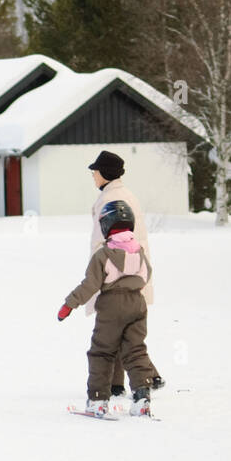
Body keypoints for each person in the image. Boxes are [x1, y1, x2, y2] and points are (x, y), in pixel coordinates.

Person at [58, 200, 159, 416]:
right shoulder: (138, 252)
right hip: (137, 304)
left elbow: (90, 285)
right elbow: (146, 275)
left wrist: (69, 304)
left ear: (105, 226)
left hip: (112, 307)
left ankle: (98, 400)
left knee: (102, 352)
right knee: (135, 350)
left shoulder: (103, 255)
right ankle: (142, 397)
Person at [87, 151, 164, 395]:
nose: (93, 175)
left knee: (112, 335)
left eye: (96, 171)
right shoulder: (123, 194)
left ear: (105, 173)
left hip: (116, 275)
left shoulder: (112, 200)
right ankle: (128, 381)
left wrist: (98, 276)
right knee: (126, 334)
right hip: (132, 272)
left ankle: (126, 382)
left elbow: (104, 242)